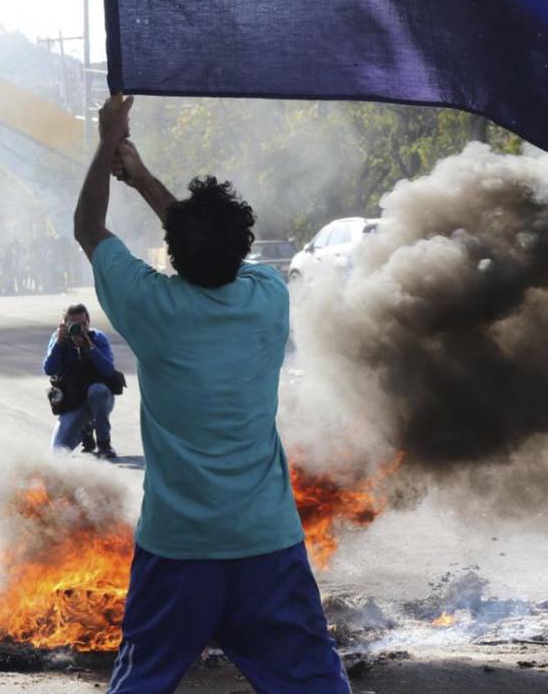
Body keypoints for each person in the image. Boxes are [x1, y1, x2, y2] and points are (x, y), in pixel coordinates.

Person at [75, 95, 349, 693]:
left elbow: (90, 229)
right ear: (240, 247)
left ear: (173, 251)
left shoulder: (152, 306)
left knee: (143, 680)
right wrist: (144, 177)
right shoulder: (266, 296)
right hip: (266, 544)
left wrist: (107, 145)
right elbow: (208, 243)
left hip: (178, 548)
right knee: (311, 681)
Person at [43, 303, 118, 458]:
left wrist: (89, 347)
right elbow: (49, 369)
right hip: (74, 401)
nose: (79, 328)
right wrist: (59, 343)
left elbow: (108, 370)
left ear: (88, 322)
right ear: (64, 324)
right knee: (57, 451)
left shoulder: (98, 338)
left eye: (83, 324)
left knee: (98, 391)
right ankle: (86, 431)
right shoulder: (58, 340)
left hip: (99, 397)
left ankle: (104, 443)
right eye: (74, 324)